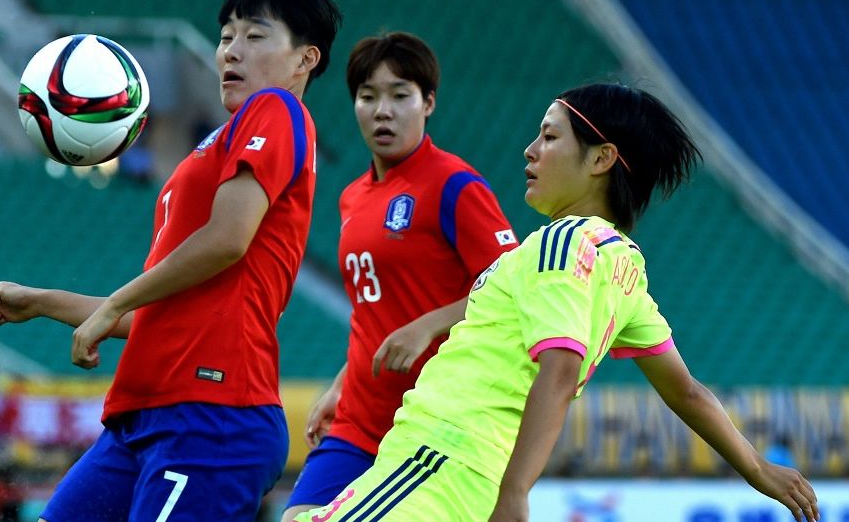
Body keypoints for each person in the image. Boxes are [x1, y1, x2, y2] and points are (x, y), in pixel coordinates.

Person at [297, 84, 819, 522]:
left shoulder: (561, 242)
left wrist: (516, 492)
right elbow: (685, 391)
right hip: (457, 469)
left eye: (549, 136)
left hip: (440, 460)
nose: (530, 150)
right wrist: (755, 466)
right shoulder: (624, 270)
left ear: (601, 159)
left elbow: (561, 365)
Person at [0, 0, 342, 521]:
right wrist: (43, 301)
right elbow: (161, 313)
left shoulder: (277, 110)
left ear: (305, 60)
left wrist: (117, 304)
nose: (231, 51)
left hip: (211, 415)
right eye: (225, 37)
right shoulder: (208, 151)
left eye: (254, 36)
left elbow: (227, 240)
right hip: (142, 417)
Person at [283, 32, 518, 521]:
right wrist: (341, 386)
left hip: (433, 427)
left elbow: (514, 292)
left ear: (428, 102)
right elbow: (376, 311)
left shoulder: (456, 185)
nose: (382, 110)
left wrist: (430, 324)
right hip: (358, 421)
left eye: (399, 95)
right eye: (368, 97)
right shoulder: (352, 197)